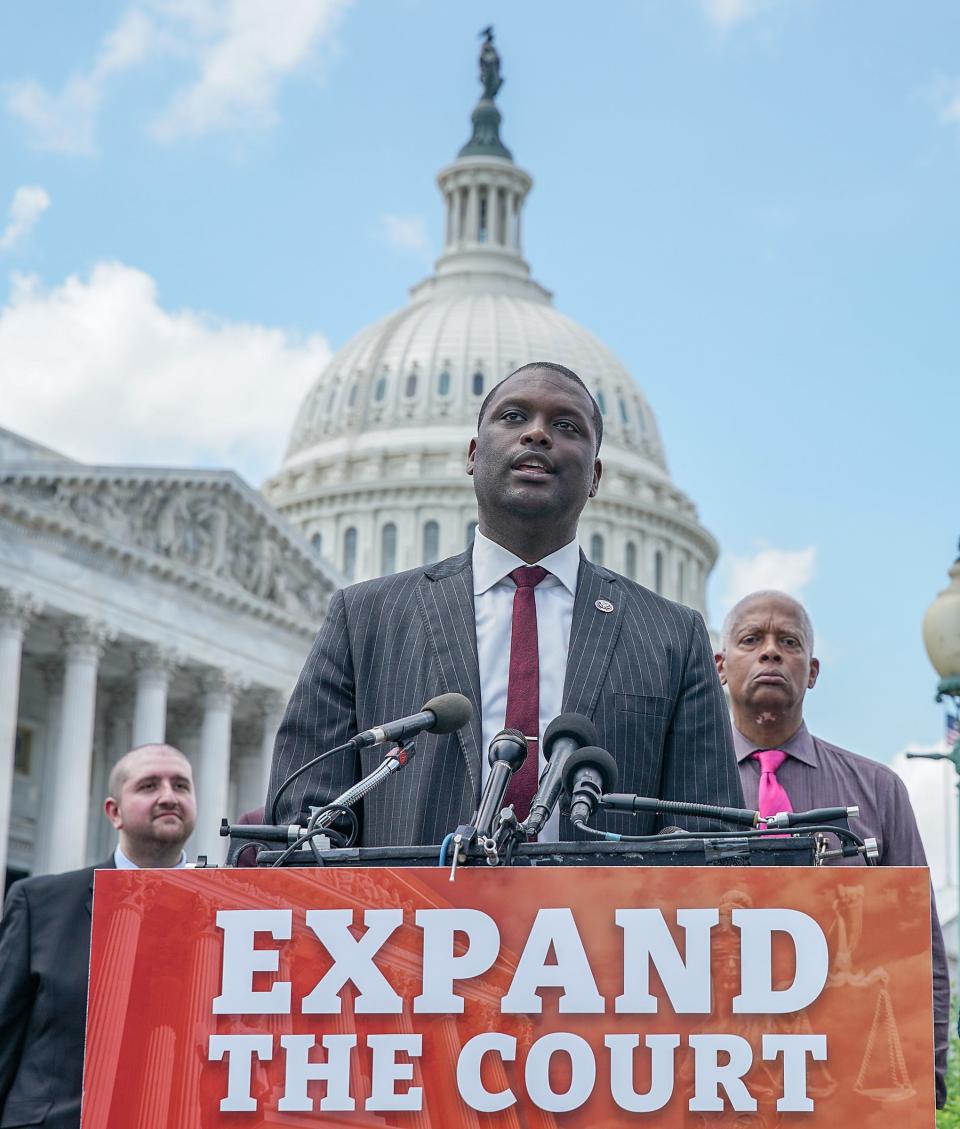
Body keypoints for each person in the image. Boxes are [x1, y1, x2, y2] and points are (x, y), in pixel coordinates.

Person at [267, 360, 742, 845]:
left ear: (596, 476)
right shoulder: (364, 619)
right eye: (513, 417)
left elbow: (709, 837)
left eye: (565, 426)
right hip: (416, 918)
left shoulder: (671, 636)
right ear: (473, 454)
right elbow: (304, 818)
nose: (537, 434)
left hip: (600, 920)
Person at [715, 590, 950, 1108]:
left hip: (843, 1074)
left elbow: (918, 948)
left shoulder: (878, 791)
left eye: (788, 642)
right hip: (713, 1076)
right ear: (721, 665)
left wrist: (926, 1074)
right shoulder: (681, 792)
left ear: (813, 671)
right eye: (752, 640)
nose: (770, 652)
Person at [0, 743, 197, 1129]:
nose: (168, 797)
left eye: (181, 786)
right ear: (114, 812)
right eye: (148, 786)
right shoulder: (39, 903)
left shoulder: (224, 915)